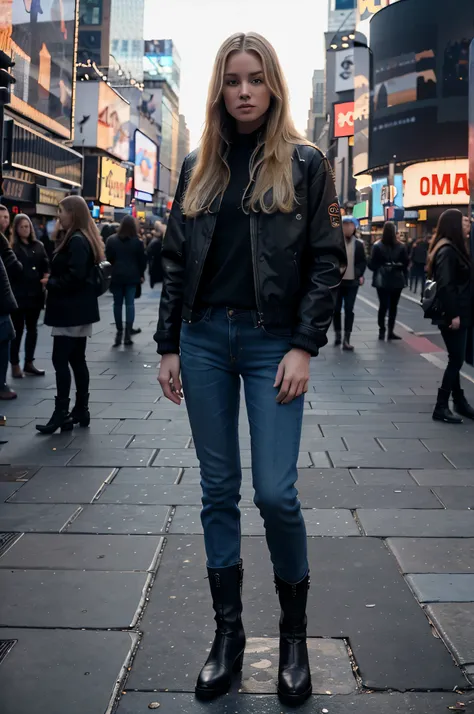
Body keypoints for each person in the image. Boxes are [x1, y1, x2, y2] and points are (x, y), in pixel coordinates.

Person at [155, 32, 346, 706]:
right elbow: (176, 262)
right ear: (219, 88)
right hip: (205, 339)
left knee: (274, 492)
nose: (243, 91)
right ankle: (228, 636)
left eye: (254, 79)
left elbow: (328, 259)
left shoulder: (303, 163)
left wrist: (304, 344)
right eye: (233, 79)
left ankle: (293, 636)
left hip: (272, 344)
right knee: (217, 489)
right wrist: (168, 345)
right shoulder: (195, 168)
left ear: (273, 87)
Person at [36, 196, 103, 434]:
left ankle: (62, 413)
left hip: (70, 311)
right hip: (78, 311)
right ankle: (80, 409)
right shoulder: (83, 237)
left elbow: (75, 277)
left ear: (73, 213)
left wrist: (50, 282)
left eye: (61, 212)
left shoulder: (76, 240)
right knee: (76, 360)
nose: (59, 217)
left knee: (61, 359)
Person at [427, 209, 474, 424]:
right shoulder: (447, 250)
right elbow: (446, 285)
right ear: (454, 224)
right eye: (464, 221)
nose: (468, 224)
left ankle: (459, 401)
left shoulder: (451, 247)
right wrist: (454, 314)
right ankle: (442, 404)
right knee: (456, 359)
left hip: (458, 311)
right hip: (453, 314)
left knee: (456, 358)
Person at [9, 214, 49, 378]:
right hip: (18, 294)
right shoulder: (13, 248)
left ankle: (29, 362)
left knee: (32, 329)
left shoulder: (38, 245)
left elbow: (45, 263)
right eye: (22, 226)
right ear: (16, 229)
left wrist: (46, 276)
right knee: (17, 330)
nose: (25, 229)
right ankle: (15, 363)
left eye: (27, 226)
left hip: (35, 293)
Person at [105, 215, 147, 347]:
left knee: (117, 304)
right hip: (132, 276)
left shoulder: (111, 240)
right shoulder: (137, 242)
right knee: (130, 304)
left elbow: (108, 258)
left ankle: (119, 332)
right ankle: (128, 333)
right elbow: (142, 261)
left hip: (116, 276)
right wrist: (141, 274)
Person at [369, 221, 408, 341]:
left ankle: (382, 330)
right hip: (396, 279)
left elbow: (371, 264)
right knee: (393, 306)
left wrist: (381, 266)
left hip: (382, 279)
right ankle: (391, 331)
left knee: (383, 306)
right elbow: (406, 264)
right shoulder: (401, 246)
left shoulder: (377, 246)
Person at [333, 216, 367, 351]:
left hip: (352, 282)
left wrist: (359, 274)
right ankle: (338, 335)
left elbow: (363, 261)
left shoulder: (359, 244)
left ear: (354, 227)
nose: (347, 227)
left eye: (350, 225)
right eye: (345, 225)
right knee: (336, 310)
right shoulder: (335, 242)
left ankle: (347, 339)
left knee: (349, 310)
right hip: (337, 282)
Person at [0, 205, 23, 400]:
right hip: (2, 302)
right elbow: (14, 267)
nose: (4, 221)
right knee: (5, 338)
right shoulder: (3, 242)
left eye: (7, 217)